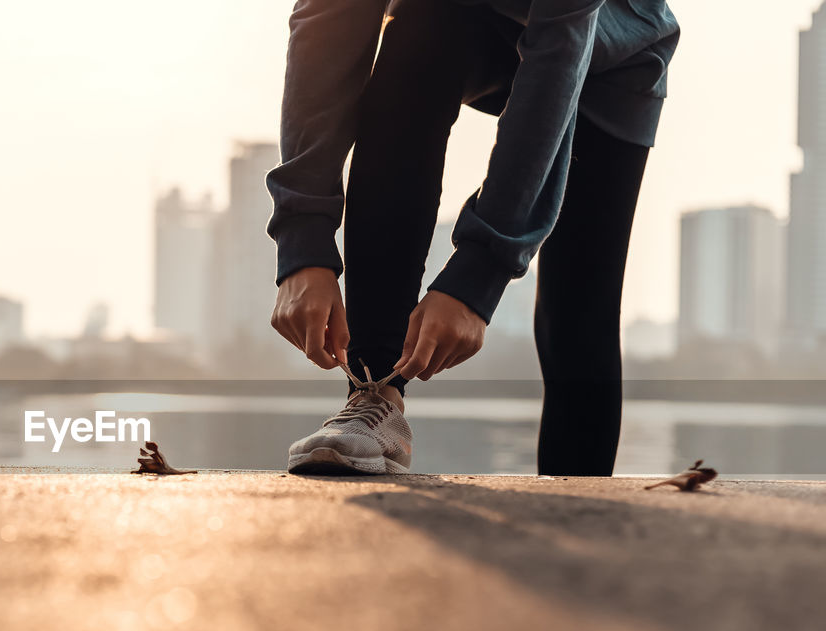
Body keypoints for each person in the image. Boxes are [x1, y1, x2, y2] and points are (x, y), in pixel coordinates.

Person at [267, 0, 680, 476]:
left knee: (578, 315)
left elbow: (557, 57)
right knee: (421, 27)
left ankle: (581, 509)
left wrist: (476, 277)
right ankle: (375, 393)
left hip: (618, 48)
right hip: (463, 20)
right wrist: (303, 248)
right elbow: (327, 22)